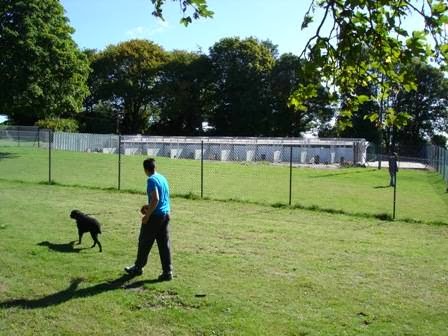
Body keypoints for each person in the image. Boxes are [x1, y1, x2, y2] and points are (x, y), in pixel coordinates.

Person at [124, 158, 173, 280]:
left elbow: (156, 199)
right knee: (164, 245)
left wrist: (147, 215)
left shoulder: (151, 180)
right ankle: (167, 272)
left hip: (155, 218)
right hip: (165, 215)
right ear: (155, 167)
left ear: (145, 169)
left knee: (144, 242)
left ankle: (138, 268)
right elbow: (162, 199)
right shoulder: (162, 178)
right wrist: (147, 206)